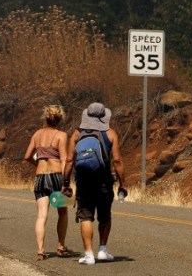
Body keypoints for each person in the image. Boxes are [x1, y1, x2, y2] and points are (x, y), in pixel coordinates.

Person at [62, 102, 127, 265]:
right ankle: (103, 250)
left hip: (83, 182)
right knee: (105, 216)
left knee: (86, 217)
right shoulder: (110, 134)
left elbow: (69, 161)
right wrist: (122, 184)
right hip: (104, 182)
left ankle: (89, 255)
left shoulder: (77, 134)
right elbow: (117, 161)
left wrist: (65, 183)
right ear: (103, 117)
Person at [23, 105, 72, 261]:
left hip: (41, 177)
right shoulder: (61, 135)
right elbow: (64, 159)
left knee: (41, 215)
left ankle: (40, 250)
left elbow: (27, 156)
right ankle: (60, 246)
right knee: (62, 212)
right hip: (57, 176)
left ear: (45, 117)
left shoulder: (37, 134)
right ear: (59, 119)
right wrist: (66, 182)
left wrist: (38, 164)